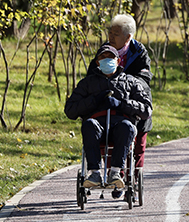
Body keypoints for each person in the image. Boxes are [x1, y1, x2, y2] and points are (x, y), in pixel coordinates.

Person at [65, 44, 152, 188]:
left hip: (121, 124)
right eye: (103, 57)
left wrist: (122, 104)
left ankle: (116, 172)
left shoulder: (131, 82)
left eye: (110, 57)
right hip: (97, 124)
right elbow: (70, 110)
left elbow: (146, 110)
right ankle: (94, 173)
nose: (107, 60)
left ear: (118, 61)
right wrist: (94, 100)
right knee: (89, 125)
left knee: (126, 127)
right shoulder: (87, 83)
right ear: (97, 62)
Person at [88, 14, 153, 166]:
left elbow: (143, 82)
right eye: (110, 32)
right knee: (111, 144)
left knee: (137, 150)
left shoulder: (139, 53)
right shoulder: (104, 52)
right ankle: (115, 177)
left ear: (128, 37)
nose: (110, 36)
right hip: (110, 109)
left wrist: (121, 88)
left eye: (116, 34)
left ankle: (134, 179)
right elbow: (92, 77)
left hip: (134, 105)